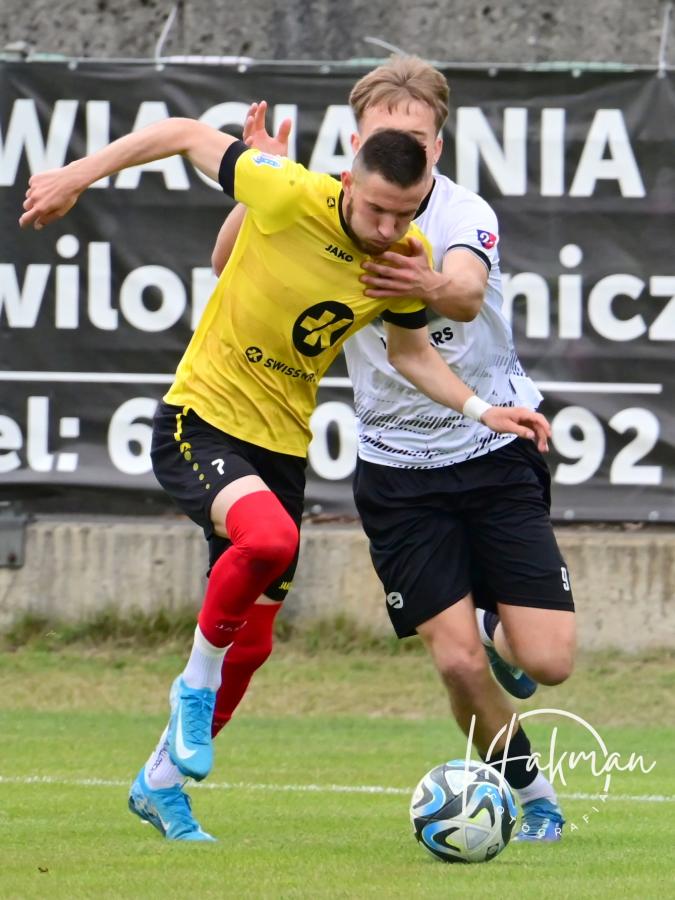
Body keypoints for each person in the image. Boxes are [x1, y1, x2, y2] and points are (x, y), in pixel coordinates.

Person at [20, 114, 551, 842]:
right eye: (376, 209)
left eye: (405, 213)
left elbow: (411, 355)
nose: (388, 227)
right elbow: (180, 132)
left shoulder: (406, 255)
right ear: (348, 181)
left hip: (281, 447)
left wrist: (482, 409)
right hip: (201, 420)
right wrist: (74, 176)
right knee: (268, 541)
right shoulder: (288, 192)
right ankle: (193, 687)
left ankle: (160, 786)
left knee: (255, 643)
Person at [212, 57, 576, 843]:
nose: (402, 150)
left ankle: (496, 626)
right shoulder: (324, 205)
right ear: (357, 142)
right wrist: (257, 183)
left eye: (416, 137)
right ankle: (532, 794)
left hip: (490, 447)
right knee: (454, 664)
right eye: (386, 135)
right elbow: (224, 267)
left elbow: (464, 291)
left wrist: (419, 280)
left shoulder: (460, 212)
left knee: (548, 662)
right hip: (397, 470)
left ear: (437, 146)